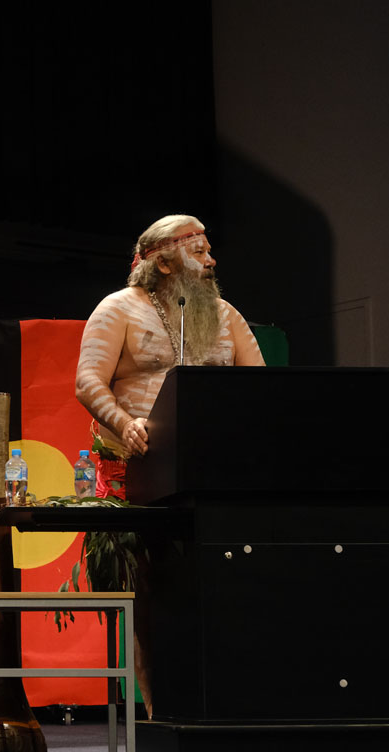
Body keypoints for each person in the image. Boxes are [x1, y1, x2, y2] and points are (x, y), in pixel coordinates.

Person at [74, 214, 265, 716]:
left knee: (222, 594)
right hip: (141, 474)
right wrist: (124, 421)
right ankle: (161, 717)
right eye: (198, 251)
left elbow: (261, 389)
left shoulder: (226, 315)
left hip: (215, 477)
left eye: (208, 250)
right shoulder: (118, 309)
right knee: (150, 604)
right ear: (162, 260)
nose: (211, 260)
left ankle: (228, 711)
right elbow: (88, 381)